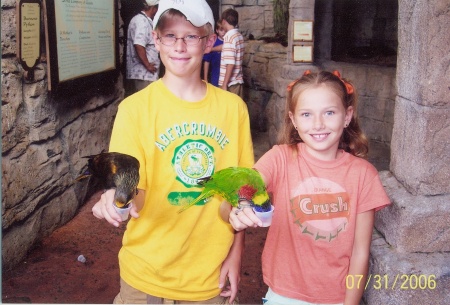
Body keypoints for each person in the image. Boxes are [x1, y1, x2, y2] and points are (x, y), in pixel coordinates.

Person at [92, 0, 254, 303]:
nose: (180, 46)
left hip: (207, 277)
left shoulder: (233, 110)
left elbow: (238, 192)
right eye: (170, 35)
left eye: (191, 36)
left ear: (208, 42)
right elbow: (131, 189)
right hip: (144, 274)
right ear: (156, 40)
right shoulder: (134, 110)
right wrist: (118, 201)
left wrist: (237, 252)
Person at [227, 70, 391, 305]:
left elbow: (360, 252)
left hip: (337, 297)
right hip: (284, 295)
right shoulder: (280, 158)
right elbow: (247, 186)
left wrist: (351, 302)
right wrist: (240, 206)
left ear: (347, 116)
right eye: (306, 114)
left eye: (329, 112)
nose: (318, 124)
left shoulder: (364, 175)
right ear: (293, 120)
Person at [126, 0, 160, 94]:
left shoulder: (144, 20)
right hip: (143, 75)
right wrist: (148, 65)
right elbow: (139, 44)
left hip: (145, 75)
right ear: (154, 8)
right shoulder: (141, 21)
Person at [218, 9, 244, 98]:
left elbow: (230, 63)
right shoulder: (238, 35)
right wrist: (211, 49)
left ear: (224, 21)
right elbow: (227, 48)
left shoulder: (229, 37)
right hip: (237, 81)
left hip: (230, 84)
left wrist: (224, 84)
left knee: (228, 111)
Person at [203, 20, 226, 87]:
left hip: (227, 78)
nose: (224, 32)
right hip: (215, 77)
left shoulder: (228, 41)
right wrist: (205, 78)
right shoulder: (213, 43)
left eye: (225, 30)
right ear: (217, 30)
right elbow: (207, 62)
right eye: (221, 30)